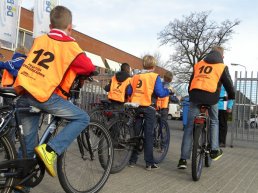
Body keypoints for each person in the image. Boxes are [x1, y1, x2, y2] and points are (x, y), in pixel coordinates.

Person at [13, 5, 95, 183]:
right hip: (44, 96)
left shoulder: (40, 39)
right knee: (83, 118)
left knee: (27, 144)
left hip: (24, 91)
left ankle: (19, 184)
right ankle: (50, 151)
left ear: (50, 26)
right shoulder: (70, 45)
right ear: (70, 27)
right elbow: (88, 67)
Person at [177, 46, 235, 169]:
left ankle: (182, 159)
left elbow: (191, 83)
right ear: (222, 56)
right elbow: (229, 86)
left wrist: (192, 95)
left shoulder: (198, 64)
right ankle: (214, 149)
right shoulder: (221, 66)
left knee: (189, 127)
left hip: (195, 96)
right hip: (211, 98)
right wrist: (231, 97)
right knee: (214, 121)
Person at [127, 55, 171, 170]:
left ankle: (132, 160)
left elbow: (129, 90)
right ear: (153, 66)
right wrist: (168, 91)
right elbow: (160, 92)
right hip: (148, 107)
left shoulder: (136, 76)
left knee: (136, 134)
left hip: (136, 107)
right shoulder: (154, 76)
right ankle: (149, 163)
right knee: (148, 135)